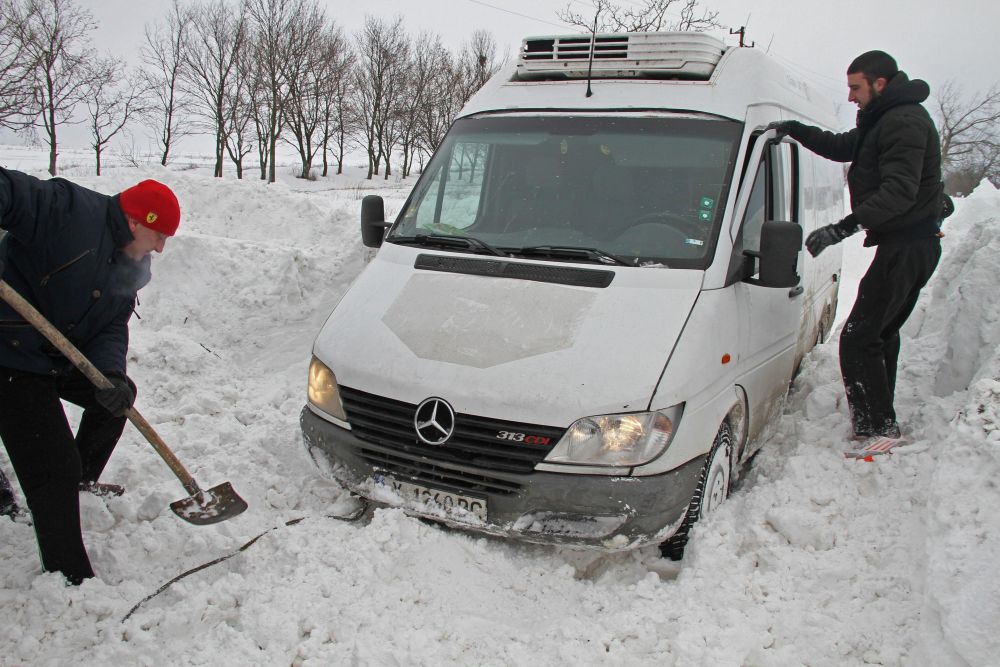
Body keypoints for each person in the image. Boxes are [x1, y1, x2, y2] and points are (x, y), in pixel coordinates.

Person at [0, 169, 179, 584]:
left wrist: (112, 374)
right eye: (160, 236)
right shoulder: (66, 210)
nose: (163, 247)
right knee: (51, 462)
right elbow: (9, 192)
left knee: (114, 399)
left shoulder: (132, 264)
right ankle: (69, 577)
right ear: (135, 222)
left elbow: (112, 326)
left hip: (54, 355)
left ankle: (78, 487)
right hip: (9, 354)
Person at [770, 51, 946, 449]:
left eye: (855, 87)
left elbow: (899, 192)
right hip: (908, 244)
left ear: (880, 83)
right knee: (878, 333)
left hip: (908, 245)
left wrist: (842, 227)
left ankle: (878, 428)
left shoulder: (903, 121)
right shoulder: (885, 119)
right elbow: (842, 146)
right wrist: (794, 129)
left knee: (859, 337)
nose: (850, 96)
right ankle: (880, 417)